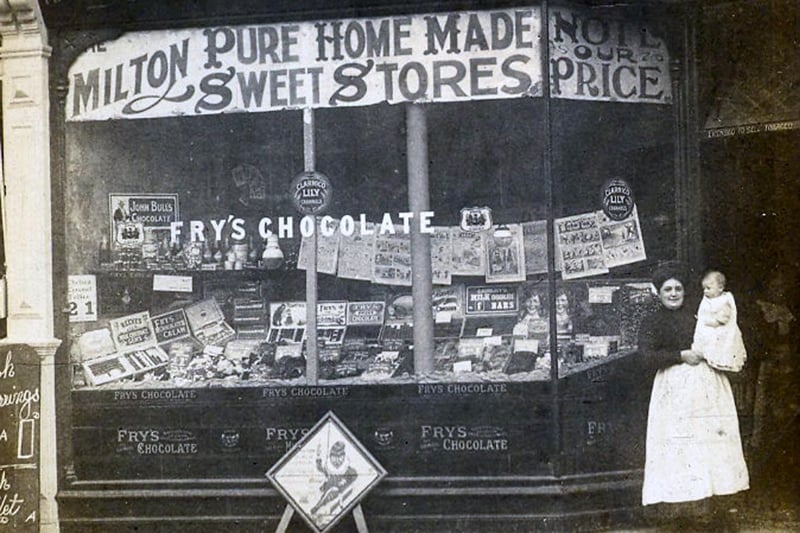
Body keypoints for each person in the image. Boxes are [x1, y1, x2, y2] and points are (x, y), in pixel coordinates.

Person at [638, 263, 749, 527]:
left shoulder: (697, 312)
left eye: (678, 288)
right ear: (659, 292)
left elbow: (722, 334)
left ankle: (710, 507)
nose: (674, 293)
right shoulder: (652, 320)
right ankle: (680, 512)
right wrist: (679, 355)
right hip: (673, 388)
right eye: (668, 289)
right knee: (679, 448)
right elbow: (644, 357)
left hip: (707, 385)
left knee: (707, 446)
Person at [692, 270, 747, 372]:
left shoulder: (724, 301)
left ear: (720, 288)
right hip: (709, 326)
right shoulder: (708, 299)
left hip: (720, 328)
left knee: (719, 344)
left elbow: (724, 317)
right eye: (704, 289)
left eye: (708, 288)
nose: (705, 291)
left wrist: (714, 322)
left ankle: (717, 360)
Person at [310, 440, 357, 517]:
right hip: (328, 488)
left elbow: (354, 475)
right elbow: (320, 468)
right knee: (327, 493)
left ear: (344, 457)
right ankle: (318, 506)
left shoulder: (347, 469)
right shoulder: (329, 468)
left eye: (340, 457)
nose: (337, 460)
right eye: (334, 457)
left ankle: (318, 506)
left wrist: (345, 480)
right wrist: (318, 456)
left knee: (332, 492)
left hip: (340, 490)